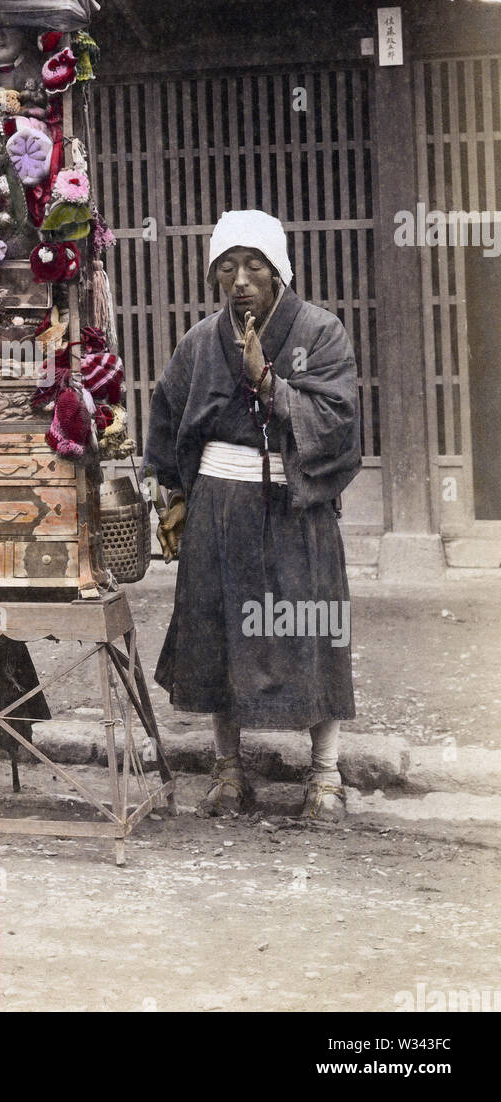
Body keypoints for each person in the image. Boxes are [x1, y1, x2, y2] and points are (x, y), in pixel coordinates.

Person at [144, 210, 361, 823]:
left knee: (310, 631)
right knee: (219, 636)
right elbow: (168, 422)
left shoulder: (320, 333)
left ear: (279, 271)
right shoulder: (198, 341)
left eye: (254, 266)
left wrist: (269, 382)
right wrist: (176, 497)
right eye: (227, 267)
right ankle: (227, 769)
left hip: (294, 506)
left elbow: (339, 422)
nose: (240, 280)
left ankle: (325, 773)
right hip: (219, 508)